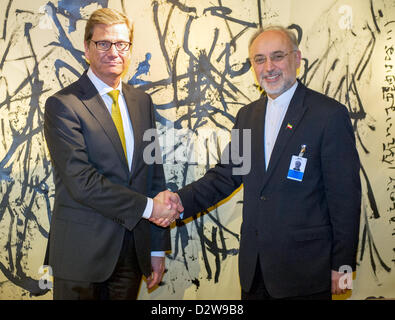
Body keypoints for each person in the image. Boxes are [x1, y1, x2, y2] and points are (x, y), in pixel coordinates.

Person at [152, 25, 361, 300]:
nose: (269, 67)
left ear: (296, 59)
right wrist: (178, 202)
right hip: (255, 271)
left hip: (306, 273)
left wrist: (342, 266)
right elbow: (224, 177)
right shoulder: (247, 116)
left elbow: (345, 198)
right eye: (259, 59)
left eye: (277, 56)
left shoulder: (329, 114)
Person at [44, 8, 178, 300]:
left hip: (131, 254)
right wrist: (151, 209)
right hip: (81, 257)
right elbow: (82, 182)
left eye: (121, 44)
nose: (113, 51)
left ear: (129, 49)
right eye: (103, 43)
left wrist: (156, 248)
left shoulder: (142, 102)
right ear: (87, 49)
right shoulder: (63, 105)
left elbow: (153, 175)